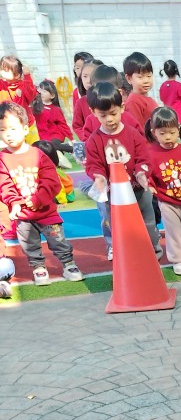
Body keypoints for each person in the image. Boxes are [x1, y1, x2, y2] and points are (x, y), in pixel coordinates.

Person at [0, 102, 82, 286]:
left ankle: (68, 264)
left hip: (46, 211)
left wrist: (38, 199)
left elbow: (52, 181)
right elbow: (4, 184)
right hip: (23, 215)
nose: (8, 134)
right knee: (29, 243)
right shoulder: (3, 158)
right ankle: (38, 267)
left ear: (25, 129)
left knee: (58, 240)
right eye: (3, 130)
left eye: (13, 128)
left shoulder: (37, 154)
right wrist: (14, 202)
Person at [84, 81, 160, 260]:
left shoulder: (132, 133)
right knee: (117, 226)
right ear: (93, 112)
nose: (109, 119)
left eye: (113, 113)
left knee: (148, 223)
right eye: (103, 115)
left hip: (138, 190)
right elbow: (93, 164)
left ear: (122, 108)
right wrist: (99, 177)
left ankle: (153, 250)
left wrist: (141, 172)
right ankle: (123, 253)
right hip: (114, 195)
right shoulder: (94, 140)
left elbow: (144, 156)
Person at [145, 106, 181, 276]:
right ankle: (178, 259)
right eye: (162, 133)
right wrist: (150, 185)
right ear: (154, 132)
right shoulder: (151, 152)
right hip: (167, 201)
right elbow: (147, 172)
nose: (168, 137)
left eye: (171, 132)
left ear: (179, 129)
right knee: (173, 231)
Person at [0, 56, 38, 142]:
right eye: (1, 69)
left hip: (27, 124)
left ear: (17, 75)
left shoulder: (24, 85)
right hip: (9, 126)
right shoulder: (1, 85)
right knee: (14, 147)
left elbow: (31, 95)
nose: (1, 72)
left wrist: (27, 76)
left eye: (5, 70)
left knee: (34, 146)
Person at [33, 80, 74, 152]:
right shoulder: (36, 107)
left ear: (52, 95)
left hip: (55, 134)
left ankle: (72, 149)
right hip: (42, 135)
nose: (42, 93)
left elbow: (63, 124)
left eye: (45, 91)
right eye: (41, 91)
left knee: (53, 145)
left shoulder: (55, 109)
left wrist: (71, 138)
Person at [123, 52, 158, 129]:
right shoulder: (133, 102)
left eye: (149, 76)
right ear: (129, 78)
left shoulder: (146, 98)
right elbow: (137, 130)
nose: (146, 81)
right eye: (140, 77)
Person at [72, 59, 103, 142]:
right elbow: (77, 126)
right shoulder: (80, 103)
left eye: (92, 76)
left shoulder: (109, 98)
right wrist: (87, 138)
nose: (88, 81)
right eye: (85, 76)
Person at [159, 60, 181, 126]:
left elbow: (161, 98)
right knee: (180, 132)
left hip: (168, 117)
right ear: (176, 71)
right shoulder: (178, 85)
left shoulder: (163, 86)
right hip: (178, 118)